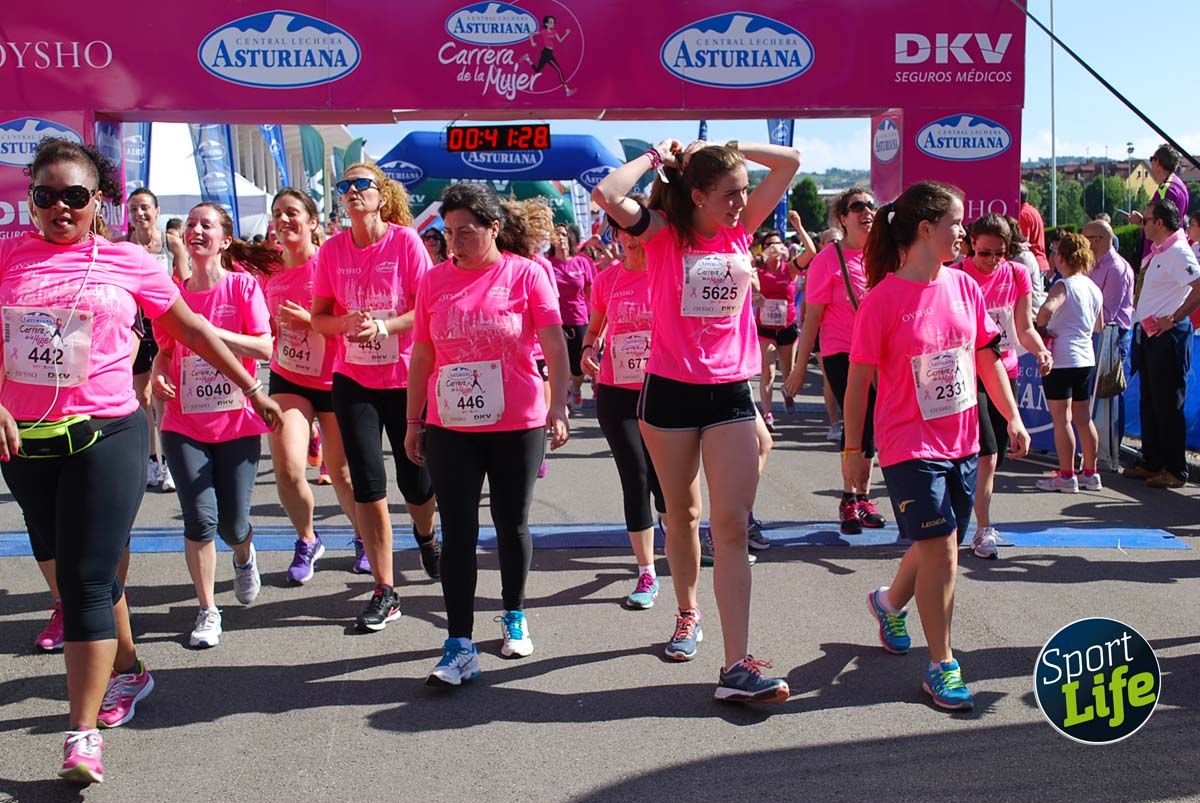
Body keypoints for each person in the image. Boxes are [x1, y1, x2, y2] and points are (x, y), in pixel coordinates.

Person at [0, 138, 279, 784]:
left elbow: (192, 332)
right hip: (28, 443)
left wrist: (251, 386)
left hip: (107, 433)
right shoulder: (9, 257)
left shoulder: (128, 261)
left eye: (75, 196)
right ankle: (129, 667)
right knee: (65, 567)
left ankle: (82, 734)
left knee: (89, 578)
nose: (59, 208)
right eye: (45, 196)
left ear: (98, 202)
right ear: (31, 202)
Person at [594, 136, 800, 704]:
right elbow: (608, 193)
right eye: (729, 194)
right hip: (669, 393)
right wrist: (657, 159)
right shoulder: (663, 232)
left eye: (742, 193)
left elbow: (790, 163)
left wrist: (733, 147)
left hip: (731, 392)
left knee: (731, 526)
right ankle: (687, 613)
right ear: (698, 193)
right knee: (681, 514)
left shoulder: (740, 229)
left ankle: (737, 666)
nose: (740, 203)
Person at [843, 181, 1030, 712]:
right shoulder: (881, 300)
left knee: (935, 544)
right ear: (926, 229)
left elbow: (987, 358)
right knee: (943, 548)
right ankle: (942, 665)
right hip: (908, 445)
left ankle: (887, 603)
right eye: (955, 223)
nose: (963, 233)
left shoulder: (966, 288)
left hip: (963, 440)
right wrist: (853, 449)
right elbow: (858, 382)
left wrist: (1013, 417)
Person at [404, 183, 570, 686]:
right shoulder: (433, 282)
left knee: (510, 523)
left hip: (516, 422)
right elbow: (423, 356)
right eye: (448, 233)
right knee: (457, 531)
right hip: (452, 424)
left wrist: (558, 406)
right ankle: (458, 643)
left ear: (494, 228)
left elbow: (555, 345)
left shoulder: (526, 274)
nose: (455, 243)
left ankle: (514, 613)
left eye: (467, 233)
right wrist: (415, 420)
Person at [310, 163, 439, 631]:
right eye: (344, 187)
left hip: (406, 378)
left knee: (417, 484)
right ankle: (385, 589)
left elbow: (424, 312)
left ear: (381, 195)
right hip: (353, 379)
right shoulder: (332, 251)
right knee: (368, 483)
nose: (351, 192)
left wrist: (383, 326)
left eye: (360, 185)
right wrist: (344, 325)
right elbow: (319, 317)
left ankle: (426, 536)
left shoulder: (404, 243)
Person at [152, 203, 277, 648]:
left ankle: (244, 554)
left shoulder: (243, 287)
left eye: (206, 224)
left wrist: (209, 332)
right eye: (190, 224)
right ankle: (207, 609)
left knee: (232, 524)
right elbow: (166, 350)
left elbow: (264, 348)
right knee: (201, 520)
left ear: (224, 240)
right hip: (184, 423)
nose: (195, 230)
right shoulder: (172, 294)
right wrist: (158, 373)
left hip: (238, 422)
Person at [264, 189, 360, 584]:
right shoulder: (269, 272)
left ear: (313, 222)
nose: (284, 220)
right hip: (288, 376)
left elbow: (352, 325)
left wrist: (312, 322)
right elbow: (266, 328)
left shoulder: (331, 265)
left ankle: (362, 534)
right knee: (287, 468)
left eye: (292, 213)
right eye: (278, 214)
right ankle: (307, 539)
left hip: (337, 377)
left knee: (342, 474)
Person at [783, 188, 887, 536]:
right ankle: (849, 497)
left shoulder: (885, 256)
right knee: (855, 420)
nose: (867, 211)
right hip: (842, 351)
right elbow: (811, 318)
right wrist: (799, 369)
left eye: (871, 205)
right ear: (842, 217)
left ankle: (864, 498)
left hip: (880, 353)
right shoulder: (829, 259)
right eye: (857, 206)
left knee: (870, 424)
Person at [580, 209, 666, 609]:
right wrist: (587, 350)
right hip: (617, 392)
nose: (633, 242)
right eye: (625, 235)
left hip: (665, 388)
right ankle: (646, 571)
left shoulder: (668, 273)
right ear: (615, 235)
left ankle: (677, 534)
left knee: (666, 481)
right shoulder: (607, 279)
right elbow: (594, 328)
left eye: (639, 235)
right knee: (635, 474)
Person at [956, 215, 1051, 559]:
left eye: (1000, 253)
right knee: (984, 453)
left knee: (990, 456)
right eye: (985, 253)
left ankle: (981, 526)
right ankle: (975, 525)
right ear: (971, 245)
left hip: (1003, 369)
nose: (993, 260)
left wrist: (1039, 349)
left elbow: (1024, 326)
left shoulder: (1017, 274)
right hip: (965, 373)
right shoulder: (957, 274)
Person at [1123, 199, 1200, 488]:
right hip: (1150, 336)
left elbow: (1199, 287)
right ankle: (1153, 461)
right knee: (1150, 402)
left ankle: (1175, 469)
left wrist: (1175, 317)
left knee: (1168, 404)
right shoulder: (1162, 251)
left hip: (1168, 337)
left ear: (1160, 223)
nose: (1142, 223)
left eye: (1147, 219)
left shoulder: (1179, 251)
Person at [126, 188, 188, 494]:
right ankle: (152, 459)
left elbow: (186, 285)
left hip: (165, 327)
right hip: (136, 329)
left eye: (145, 208)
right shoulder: (124, 247)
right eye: (134, 208)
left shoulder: (171, 243)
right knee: (143, 398)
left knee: (164, 397)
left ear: (157, 210)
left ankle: (169, 463)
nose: (140, 214)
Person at [1033, 233, 1105, 492]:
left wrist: (1042, 328)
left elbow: (1046, 309)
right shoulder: (1092, 287)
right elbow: (1099, 326)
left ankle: (1066, 475)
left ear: (1060, 257)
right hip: (1085, 357)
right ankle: (1090, 472)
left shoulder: (1063, 285)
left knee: (1062, 419)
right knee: (1084, 419)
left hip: (1062, 358)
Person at [1082, 219, 1135, 471]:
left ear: (1098, 240)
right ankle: (1096, 449)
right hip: (1096, 334)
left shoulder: (1116, 268)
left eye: (1086, 238)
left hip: (1113, 336)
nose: (1083, 243)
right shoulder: (1094, 265)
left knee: (1112, 393)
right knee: (1095, 393)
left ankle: (1111, 449)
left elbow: (1108, 312)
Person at [753, 229, 801, 431]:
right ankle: (767, 413)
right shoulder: (758, 270)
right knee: (768, 371)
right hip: (765, 328)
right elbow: (744, 276)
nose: (773, 248)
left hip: (787, 326)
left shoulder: (789, 268)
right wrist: (756, 297)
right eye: (768, 245)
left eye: (777, 244)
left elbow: (812, 253)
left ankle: (787, 393)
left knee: (788, 372)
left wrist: (798, 226)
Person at [548, 223, 595, 412]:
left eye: (564, 234)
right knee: (559, 361)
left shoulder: (582, 262)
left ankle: (575, 387)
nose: (561, 238)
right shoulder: (548, 264)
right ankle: (562, 395)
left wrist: (596, 319)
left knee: (578, 366)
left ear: (571, 238)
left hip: (579, 318)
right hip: (556, 321)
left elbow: (591, 291)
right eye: (557, 234)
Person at [1130, 145, 1191, 261]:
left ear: (1157, 161)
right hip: (1169, 250)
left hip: (1158, 253)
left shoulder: (1167, 190)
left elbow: (1160, 225)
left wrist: (1141, 221)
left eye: (1152, 159)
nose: (1151, 164)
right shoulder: (1179, 185)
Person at [521, 15, 576, 96]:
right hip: (546, 53)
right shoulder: (543, 31)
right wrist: (532, 42)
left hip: (548, 53)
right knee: (559, 70)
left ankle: (528, 58)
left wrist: (566, 34)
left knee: (537, 71)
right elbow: (531, 33)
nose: (553, 23)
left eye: (553, 22)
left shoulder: (554, 31)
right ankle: (567, 90)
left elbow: (560, 41)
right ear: (546, 24)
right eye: (550, 22)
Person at [1018, 184, 1050, 276]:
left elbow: (1023, 242)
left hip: (1031, 264)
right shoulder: (1033, 211)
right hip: (1040, 262)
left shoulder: (1022, 214)